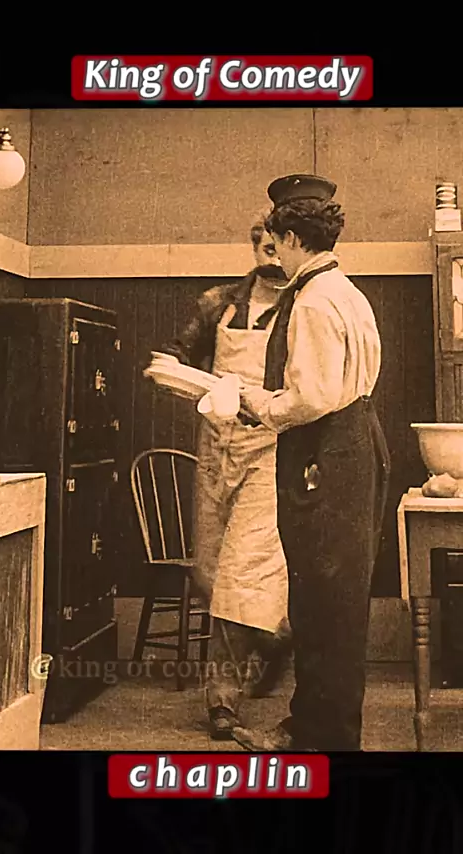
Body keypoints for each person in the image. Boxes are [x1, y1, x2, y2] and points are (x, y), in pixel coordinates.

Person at [232, 174, 391, 752]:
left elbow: (312, 397)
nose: (275, 252)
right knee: (330, 602)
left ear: (294, 238)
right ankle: (313, 729)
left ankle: (326, 742)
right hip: (353, 445)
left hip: (326, 454)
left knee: (326, 605)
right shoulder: (347, 292)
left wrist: (256, 403)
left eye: (277, 241)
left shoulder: (315, 301)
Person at [159, 216, 292, 740]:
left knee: (242, 574)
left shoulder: (302, 308)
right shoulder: (220, 302)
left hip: (270, 451)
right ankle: (278, 637)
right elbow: (179, 352)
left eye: (279, 247)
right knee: (210, 571)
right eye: (264, 247)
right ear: (255, 248)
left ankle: (221, 700)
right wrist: (173, 373)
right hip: (215, 446)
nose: (272, 256)